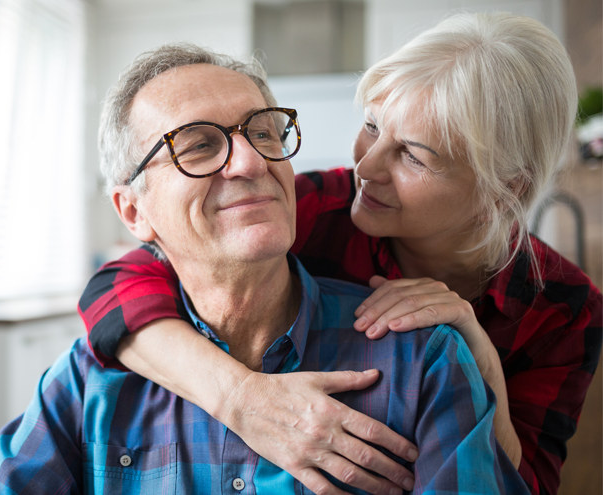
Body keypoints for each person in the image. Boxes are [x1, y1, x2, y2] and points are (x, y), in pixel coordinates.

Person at [0, 44, 527, 495]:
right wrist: (239, 396)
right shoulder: (90, 382)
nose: (252, 160)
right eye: (198, 145)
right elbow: (109, 289)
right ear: (134, 210)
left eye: (263, 131)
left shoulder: (423, 360)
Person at [77, 12, 602, 495]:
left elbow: (528, 483)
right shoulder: (316, 207)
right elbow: (116, 287)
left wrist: (483, 367)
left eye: (412, 156)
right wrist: (240, 398)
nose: (366, 166)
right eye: (373, 126)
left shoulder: (565, 307)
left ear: (504, 188)